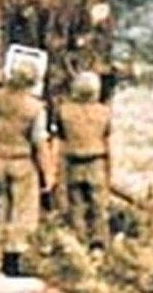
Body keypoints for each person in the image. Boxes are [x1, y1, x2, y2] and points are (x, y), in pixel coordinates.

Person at [0, 61, 53, 277]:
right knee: (23, 212)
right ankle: (16, 260)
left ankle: (4, 255)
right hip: (22, 161)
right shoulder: (34, 107)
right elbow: (39, 142)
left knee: (4, 207)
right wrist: (48, 173)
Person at [55, 71, 116, 258]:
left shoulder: (64, 111)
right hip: (96, 161)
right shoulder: (104, 112)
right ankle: (98, 244)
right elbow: (108, 140)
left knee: (77, 205)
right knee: (99, 205)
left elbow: (61, 137)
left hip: (73, 162)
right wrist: (110, 169)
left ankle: (78, 241)